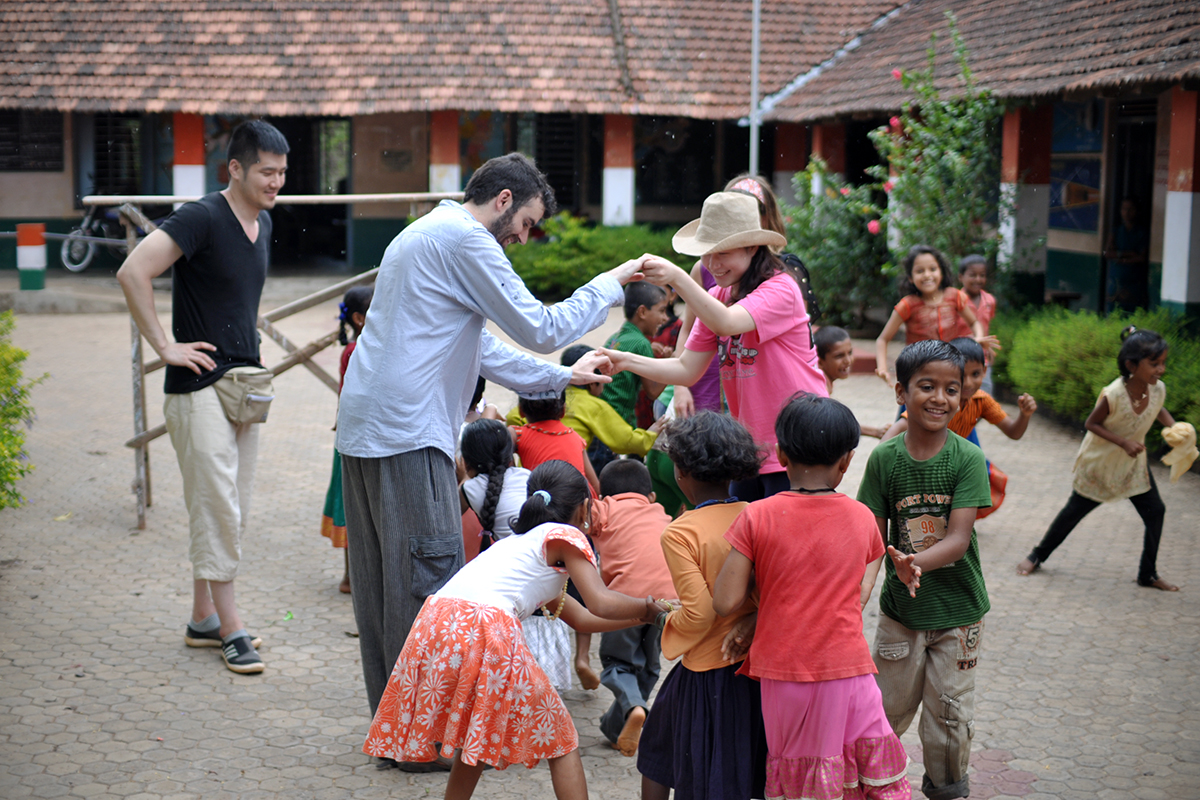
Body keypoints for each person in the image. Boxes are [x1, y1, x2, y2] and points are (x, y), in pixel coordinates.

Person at [336, 152, 646, 749]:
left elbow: (479, 349)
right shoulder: (466, 239)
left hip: (367, 426)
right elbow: (541, 327)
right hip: (407, 432)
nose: (523, 239)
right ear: (503, 200)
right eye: (526, 223)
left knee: (381, 586)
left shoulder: (425, 232)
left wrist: (562, 377)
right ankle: (419, 739)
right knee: (426, 582)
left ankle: (400, 731)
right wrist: (612, 282)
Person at [362, 460, 672, 800]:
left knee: (475, 736)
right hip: (485, 626)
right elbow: (600, 602)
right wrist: (649, 606)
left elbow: (583, 619)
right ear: (584, 507)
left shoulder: (520, 545)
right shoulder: (565, 535)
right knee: (561, 738)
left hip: (438, 621)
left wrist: (647, 618)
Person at [115, 120, 289, 675]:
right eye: (266, 172)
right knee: (219, 505)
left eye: (282, 173)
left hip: (245, 385)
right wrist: (164, 346)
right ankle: (231, 627)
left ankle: (202, 618)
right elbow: (133, 271)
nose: (276, 182)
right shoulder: (202, 216)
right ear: (235, 168)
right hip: (198, 387)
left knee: (229, 503)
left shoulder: (262, 223)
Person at [713, 393, 914, 800]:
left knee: (800, 770)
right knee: (856, 764)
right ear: (847, 461)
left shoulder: (757, 515)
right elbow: (860, 591)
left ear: (781, 455)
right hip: (848, 667)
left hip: (783, 670)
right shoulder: (862, 518)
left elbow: (725, 601)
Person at [603, 192, 827, 501]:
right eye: (707, 253)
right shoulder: (721, 296)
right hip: (749, 449)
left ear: (752, 247)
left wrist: (678, 278)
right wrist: (624, 360)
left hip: (795, 444)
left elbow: (727, 323)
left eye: (722, 253)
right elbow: (686, 369)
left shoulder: (781, 287)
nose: (712, 264)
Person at [857, 340, 993, 800]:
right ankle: (874, 786)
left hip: (959, 613)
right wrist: (861, 592)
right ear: (902, 391)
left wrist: (912, 562)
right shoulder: (884, 459)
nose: (940, 398)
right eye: (927, 386)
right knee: (886, 710)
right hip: (901, 615)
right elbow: (873, 541)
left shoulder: (967, 459)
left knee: (949, 717)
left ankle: (947, 790)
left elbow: (957, 540)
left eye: (951, 389)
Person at [637, 411, 767, 800]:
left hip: (706, 671)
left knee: (661, 752)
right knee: (738, 763)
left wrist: (663, 617)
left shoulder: (680, 532)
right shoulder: (755, 515)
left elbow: (699, 614)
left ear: (680, 473)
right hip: (752, 667)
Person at [1017, 327, 1179, 591]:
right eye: (1154, 364)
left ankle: (1147, 574)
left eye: (1163, 363)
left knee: (1156, 512)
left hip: (1132, 466)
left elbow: (1159, 409)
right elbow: (1091, 423)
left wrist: (1176, 430)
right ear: (1131, 365)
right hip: (1101, 465)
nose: (1161, 369)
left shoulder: (1158, 389)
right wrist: (1124, 442)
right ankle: (1037, 555)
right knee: (1073, 513)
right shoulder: (1114, 394)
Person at [882, 337, 1037, 518]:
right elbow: (900, 426)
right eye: (963, 376)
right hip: (922, 468)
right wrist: (880, 458)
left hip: (951, 471)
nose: (969, 383)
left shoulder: (981, 401)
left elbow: (1013, 432)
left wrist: (1025, 415)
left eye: (975, 374)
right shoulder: (939, 403)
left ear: (984, 371)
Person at [588, 459, 675, 756]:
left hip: (625, 601)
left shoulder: (604, 508)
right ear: (650, 496)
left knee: (617, 663)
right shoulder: (659, 512)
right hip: (665, 602)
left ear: (604, 496)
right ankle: (617, 729)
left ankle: (635, 709)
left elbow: (577, 516)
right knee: (648, 666)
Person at [505, 344, 664, 461]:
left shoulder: (547, 398)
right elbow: (625, 441)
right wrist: (649, 435)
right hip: (567, 474)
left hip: (529, 476)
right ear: (592, 381)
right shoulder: (594, 406)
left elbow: (512, 417)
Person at [875, 245, 997, 386]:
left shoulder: (954, 296)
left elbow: (974, 322)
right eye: (920, 271)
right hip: (917, 371)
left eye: (932, 269)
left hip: (950, 369)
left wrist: (978, 337)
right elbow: (883, 339)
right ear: (910, 278)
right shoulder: (907, 305)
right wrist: (882, 368)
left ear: (941, 272)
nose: (927, 275)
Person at [321, 285, 374, 594]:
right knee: (354, 501)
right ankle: (351, 577)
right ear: (359, 318)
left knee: (353, 501)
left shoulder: (357, 348)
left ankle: (352, 575)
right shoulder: (358, 350)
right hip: (358, 438)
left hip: (352, 435)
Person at [602, 282, 670, 426]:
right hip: (618, 421)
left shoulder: (616, 338)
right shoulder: (641, 343)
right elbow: (652, 391)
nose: (665, 318)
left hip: (602, 417)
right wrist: (670, 362)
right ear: (642, 312)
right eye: (662, 311)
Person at [511, 392, 601, 494]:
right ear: (563, 411)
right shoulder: (577, 438)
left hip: (541, 498)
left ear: (520, 410)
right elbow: (596, 488)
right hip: (579, 499)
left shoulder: (518, 435)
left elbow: (498, 443)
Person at [815, 325, 888, 438]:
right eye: (839, 356)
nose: (848, 361)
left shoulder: (824, 381)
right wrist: (875, 432)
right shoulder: (820, 387)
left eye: (849, 353)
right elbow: (830, 424)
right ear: (820, 361)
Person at [954, 255, 997, 394]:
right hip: (958, 358)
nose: (978, 279)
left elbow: (986, 326)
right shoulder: (955, 300)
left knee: (984, 394)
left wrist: (988, 350)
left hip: (981, 358)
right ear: (961, 277)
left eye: (982, 275)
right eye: (973, 275)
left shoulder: (990, 300)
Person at [1104, 199, 1150, 313]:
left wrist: (1120, 259)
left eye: (1131, 209)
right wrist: (1129, 254)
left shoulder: (1141, 232)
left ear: (1137, 211)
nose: (1127, 213)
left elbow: (1141, 257)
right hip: (1115, 283)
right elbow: (1107, 253)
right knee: (1113, 314)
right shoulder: (1116, 231)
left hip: (1133, 284)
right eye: (1124, 209)